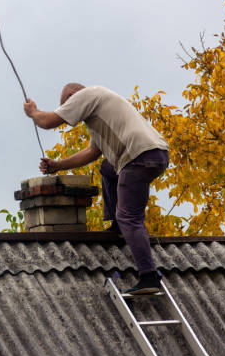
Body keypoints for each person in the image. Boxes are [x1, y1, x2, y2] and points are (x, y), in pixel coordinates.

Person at [23, 83, 169, 295]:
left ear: (72, 96)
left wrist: (33, 112)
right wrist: (57, 165)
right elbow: (92, 152)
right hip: (153, 153)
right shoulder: (99, 110)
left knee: (130, 217)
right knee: (107, 168)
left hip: (138, 157)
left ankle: (149, 276)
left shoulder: (87, 95)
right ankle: (118, 226)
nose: (69, 110)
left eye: (66, 105)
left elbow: (47, 122)